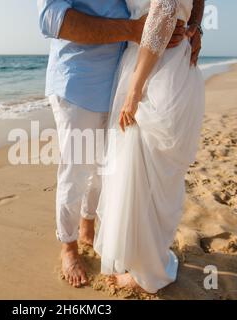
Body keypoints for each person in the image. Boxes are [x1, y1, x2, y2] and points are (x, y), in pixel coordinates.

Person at [37, 0, 203, 288]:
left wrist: (195, 25)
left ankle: (89, 227)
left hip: (128, 74)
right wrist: (133, 29)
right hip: (81, 80)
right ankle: (69, 247)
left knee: (110, 168)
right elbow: (52, 19)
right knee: (76, 169)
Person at [94, 0, 205, 294]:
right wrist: (196, 27)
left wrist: (134, 89)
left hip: (154, 70)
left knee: (141, 174)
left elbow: (165, 9)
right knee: (155, 177)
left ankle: (146, 272)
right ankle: (147, 260)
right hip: (175, 64)